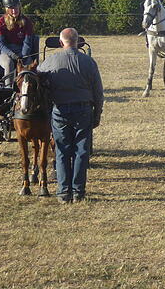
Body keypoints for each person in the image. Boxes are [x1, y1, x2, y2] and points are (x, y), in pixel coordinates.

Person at [38, 27, 104, 203]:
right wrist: (97, 114)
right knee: (81, 151)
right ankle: (78, 192)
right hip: (83, 111)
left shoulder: (50, 62)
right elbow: (98, 92)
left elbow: (37, 81)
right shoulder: (89, 62)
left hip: (60, 110)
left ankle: (63, 192)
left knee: (62, 151)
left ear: (61, 43)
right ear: (78, 42)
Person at [0, 0, 35, 86]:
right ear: (6, 9)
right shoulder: (0, 23)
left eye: (16, 7)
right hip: (6, 53)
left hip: (23, 52)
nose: (14, 10)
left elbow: (28, 42)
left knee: (28, 66)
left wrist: (23, 55)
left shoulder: (27, 22)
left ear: (19, 6)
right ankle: (8, 89)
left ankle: (27, 91)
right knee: (9, 63)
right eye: (11, 8)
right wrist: (12, 55)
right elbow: (1, 44)